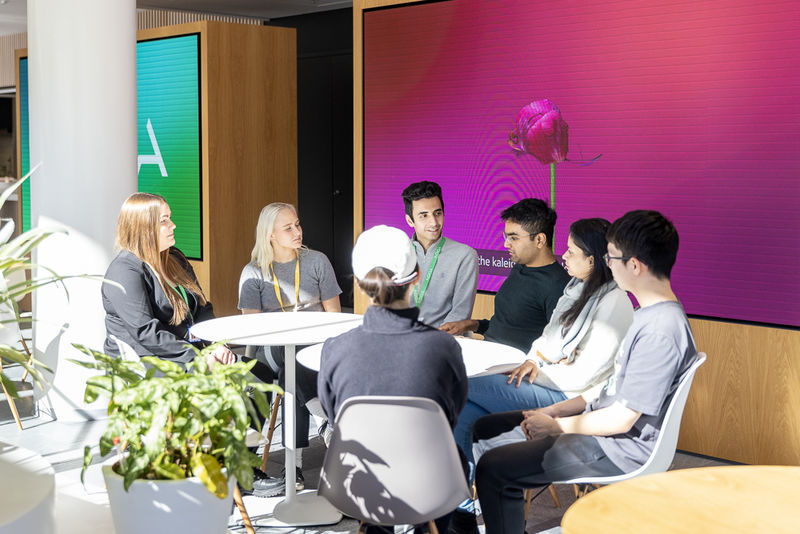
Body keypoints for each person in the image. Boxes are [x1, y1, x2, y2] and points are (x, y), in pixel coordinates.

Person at [471, 210, 699, 534]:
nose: (607, 263)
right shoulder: (647, 316)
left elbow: (622, 419)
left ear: (634, 266)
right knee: (487, 427)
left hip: (618, 449)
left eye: (612, 257)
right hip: (599, 427)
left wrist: (557, 426)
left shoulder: (661, 330)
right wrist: (553, 410)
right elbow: (605, 391)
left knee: (496, 468)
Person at [318, 225, 468, 533]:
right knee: (458, 458)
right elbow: (450, 417)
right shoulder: (444, 348)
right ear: (416, 277)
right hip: (430, 484)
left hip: (357, 484)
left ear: (360, 285)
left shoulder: (335, 349)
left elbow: (335, 418)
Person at [453, 218, 634, 464]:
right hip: (550, 380)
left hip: (569, 397)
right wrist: (531, 359)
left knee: (463, 386)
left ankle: (491, 474)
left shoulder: (615, 303)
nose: (564, 257)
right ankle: (470, 489)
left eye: (571, 252)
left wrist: (536, 371)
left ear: (591, 260)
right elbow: (546, 338)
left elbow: (583, 377)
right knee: (466, 410)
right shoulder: (575, 288)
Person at [238, 202, 342, 492]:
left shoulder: (317, 261)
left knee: (293, 371)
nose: (298, 231)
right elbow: (253, 331)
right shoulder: (254, 272)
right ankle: (325, 420)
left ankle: (293, 470)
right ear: (270, 235)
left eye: (298, 224)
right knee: (289, 359)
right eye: (289, 228)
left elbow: (335, 315)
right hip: (272, 347)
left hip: (315, 345)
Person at [102, 192, 235, 369]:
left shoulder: (175, 258)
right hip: (149, 362)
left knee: (258, 373)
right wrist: (197, 358)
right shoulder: (124, 270)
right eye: (164, 221)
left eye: (169, 218)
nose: (173, 225)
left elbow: (202, 307)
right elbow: (146, 332)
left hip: (186, 354)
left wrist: (216, 344)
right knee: (233, 384)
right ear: (144, 227)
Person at [441, 198, 571, 352]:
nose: (506, 244)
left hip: (511, 370)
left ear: (539, 240)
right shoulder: (519, 268)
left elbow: (557, 348)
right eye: (506, 237)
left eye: (514, 238)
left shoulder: (557, 286)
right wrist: (470, 325)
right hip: (489, 356)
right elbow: (508, 327)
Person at [401, 181, 478, 327]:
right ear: (410, 220)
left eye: (437, 213)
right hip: (401, 336)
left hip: (442, 341)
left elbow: (460, 314)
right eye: (424, 216)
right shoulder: (397, 254)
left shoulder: (465, 255)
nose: (434, 222)